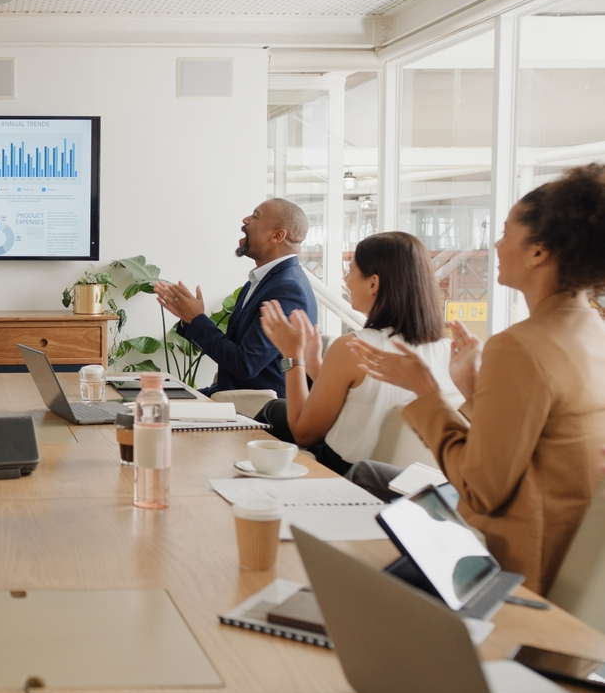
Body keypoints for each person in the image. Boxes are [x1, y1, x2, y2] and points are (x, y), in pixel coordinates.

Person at [349, 166, 605, 595]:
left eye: (505, 232)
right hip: (565, 555)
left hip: (507, 566)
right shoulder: (592, 330)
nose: (497, 244)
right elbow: (539, 447)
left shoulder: (522, 346)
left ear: (539, 251)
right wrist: (473, 391)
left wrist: (427, 391)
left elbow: (481, 491)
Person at [255, 232, 461, 475]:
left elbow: (304, 434)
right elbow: (361, 400)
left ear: (373, 283)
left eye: (350, 271)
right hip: (404, 480)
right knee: (276, 408)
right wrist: (313, 364)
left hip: (345, 472)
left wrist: (293, 356)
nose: (346, 279)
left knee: (272, 410)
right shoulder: (450, 350)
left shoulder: (353, 346)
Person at [155, 198, 318, 395]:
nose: (245, 220)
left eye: (255, 216)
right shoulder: (261, 281)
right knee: (153, 394)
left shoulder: (288, 289)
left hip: (259, 411)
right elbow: (236, 355)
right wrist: (190, 319)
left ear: (277, 236)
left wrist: (197, 319)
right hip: (231, 396)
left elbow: (245, 364)